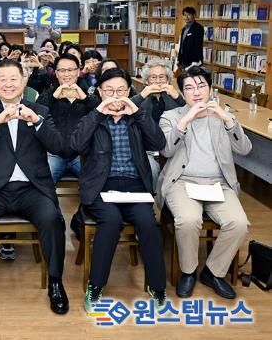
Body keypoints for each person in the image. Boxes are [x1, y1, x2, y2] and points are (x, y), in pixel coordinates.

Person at [0, 59, 69, 315]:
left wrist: (37, 121)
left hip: (31, 188)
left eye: (13, 79)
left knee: (52, 219)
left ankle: (56, 283)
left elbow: (58, 146)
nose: (8, 84)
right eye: (2, 79)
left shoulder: (40, 110)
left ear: (24, 81)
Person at [70, 68, 167, 313]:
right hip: (101, 186)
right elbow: (76, 144)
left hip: (135, 186)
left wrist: (138, 113)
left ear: (129, 92)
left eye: (121, 90)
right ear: (100, 92)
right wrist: (97, 113)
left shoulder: (137, 116)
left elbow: (159, 144)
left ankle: (157, 286)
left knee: (148, 223)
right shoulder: (92, 116)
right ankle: (95, 286)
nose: (115, 96)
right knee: (111, 221)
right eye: (109, 90)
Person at [158, 67, 251, 299]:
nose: (196, 92)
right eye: (189, 88)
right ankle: (188, 272)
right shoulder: (171, 117)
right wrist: (185, 121)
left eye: (201, 86)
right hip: (182, 181)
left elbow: (244, 149)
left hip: (219, 183)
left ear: (210, 89)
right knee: (188, 220)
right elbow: (166, 150)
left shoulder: (223, 116)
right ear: (182, 93)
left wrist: (227, 120)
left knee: (239, 223)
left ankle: (213, 272)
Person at [37, 53, 98, 186]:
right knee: (42, 185)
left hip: (81, 156)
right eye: (62, 70)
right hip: (53, 154)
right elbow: (38, 114)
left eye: (71, 70)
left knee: (95, 182)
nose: (67, 74)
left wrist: (85, 98)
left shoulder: (87, 94)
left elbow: (98, 113)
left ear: (78, 72)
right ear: (56, 73)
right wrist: (53, 98)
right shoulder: (48, 95)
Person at [132, 59, 186, 193]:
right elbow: (126, 109)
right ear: (146, 81)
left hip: (173, 148)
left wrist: (177, 96)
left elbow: (190, 112)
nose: (158, 81)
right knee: (151, 171)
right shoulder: (141, 98)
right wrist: (142, 95)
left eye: (162, 77)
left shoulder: (174, 97)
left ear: (168, 80)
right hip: (148, 150)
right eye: (153, 77)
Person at [176, 7, 204, 71]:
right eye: (185, 15)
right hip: (183, 60)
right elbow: (182, 45)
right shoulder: (184, 29)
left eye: (189, 14)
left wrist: (195, 61)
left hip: (192, 62)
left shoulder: (198, 28)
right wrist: (179, 59)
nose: (186, 17)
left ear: (194, 15)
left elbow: (198, 45)